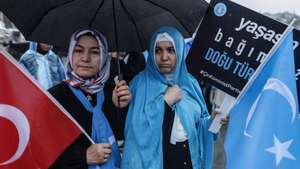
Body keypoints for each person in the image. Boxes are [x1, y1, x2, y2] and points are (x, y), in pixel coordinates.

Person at [121, 26, 215, 169]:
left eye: (171, 50)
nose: (164, 57)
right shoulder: (139, 84)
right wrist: (165, 102)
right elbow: (136, 132)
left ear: (180, 50)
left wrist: (213, 121)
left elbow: (199, 125)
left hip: (188, 161)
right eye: (158, 50)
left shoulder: (190, 83)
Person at [48, 29, 131, 169]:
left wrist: (122, 108)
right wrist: (83, 156)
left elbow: (122, 135)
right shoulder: (55, 97)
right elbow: (45, 151)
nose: (85, 58)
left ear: (104, 56)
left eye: (95, 52)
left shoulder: (113, 91)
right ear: (70, 54)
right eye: (79, 50)